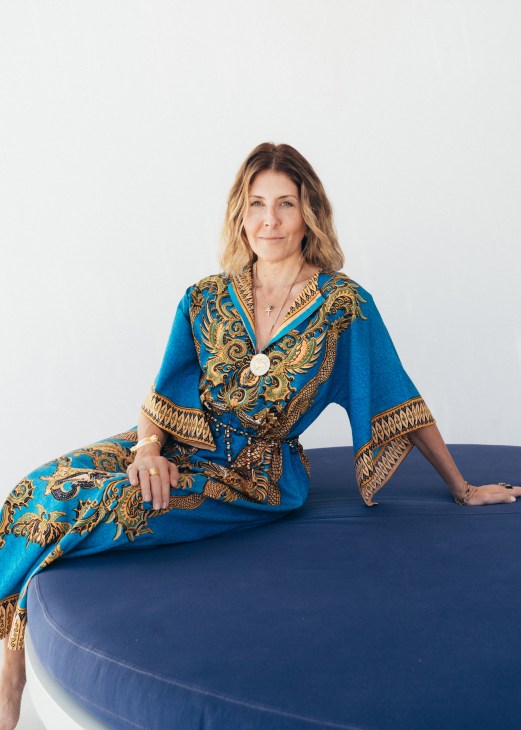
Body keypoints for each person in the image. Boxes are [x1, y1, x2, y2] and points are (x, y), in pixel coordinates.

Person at [0, 142, 519, 729]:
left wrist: (462, 487)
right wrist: (146, 451)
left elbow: (400, 398)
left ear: (309, 215)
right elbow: (161, 394)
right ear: (239, 214)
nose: (269, 220)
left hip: (254, 475)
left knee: (92, 506)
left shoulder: (343, 306)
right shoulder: (204, 296)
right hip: (172, 440)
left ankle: (8, 679)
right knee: (32, 489)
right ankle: (10, 657)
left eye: (285, 204)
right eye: (256, 204)